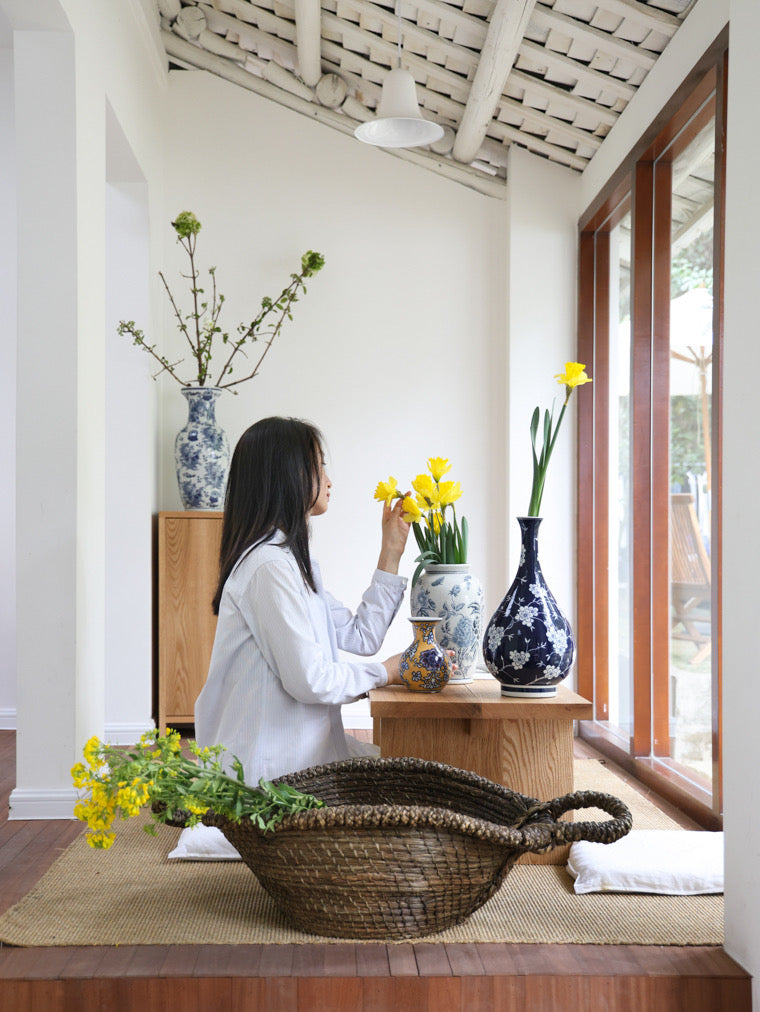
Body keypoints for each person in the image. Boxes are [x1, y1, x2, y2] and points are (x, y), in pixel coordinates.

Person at [194, 416, 411, 786]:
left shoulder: (292, 561)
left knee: (411, 769)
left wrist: (391, 551)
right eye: (319, 465)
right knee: (410, 779)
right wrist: (387, 672)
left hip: (299, 754)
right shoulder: (268, 567)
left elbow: (361, 637)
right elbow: (310, 681)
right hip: (268, 772)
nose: (329, 479)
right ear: (286, 475)